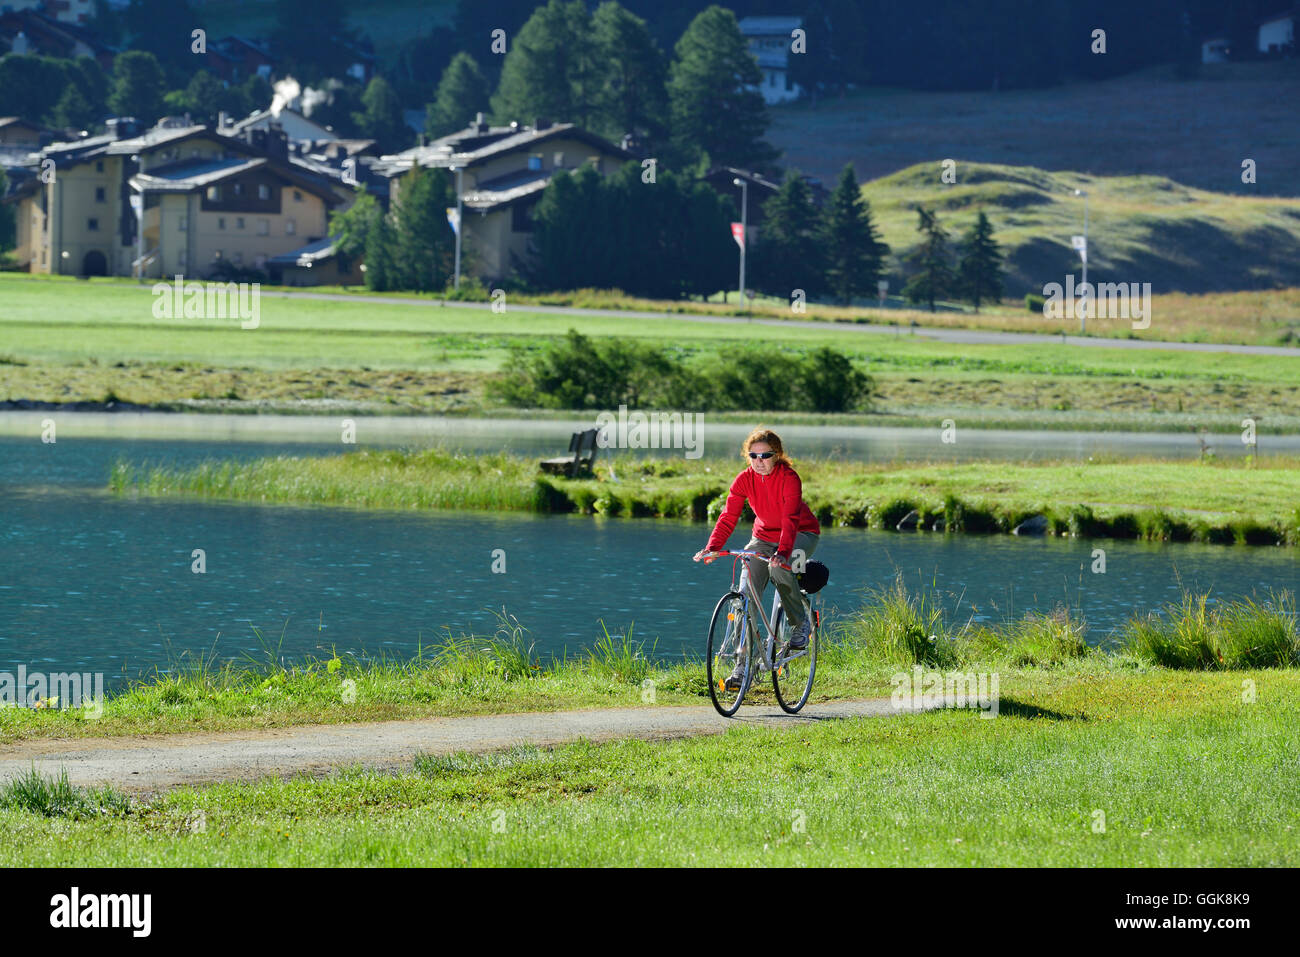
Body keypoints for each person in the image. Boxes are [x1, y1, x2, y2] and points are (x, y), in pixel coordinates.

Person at [693, 428, 821, 689]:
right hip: (762, 538)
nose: (759, 460)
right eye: (754, 455)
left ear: (777, 456)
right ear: (747, 456)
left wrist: (783, 553)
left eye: (766, 455)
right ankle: (742, 668)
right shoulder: (743, 480)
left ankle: (800, 624)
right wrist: (713, 546)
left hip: (800, 534)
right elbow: (728, 516)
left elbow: (790, 520)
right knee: (745, 594)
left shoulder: (789, 478)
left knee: (781, 569)